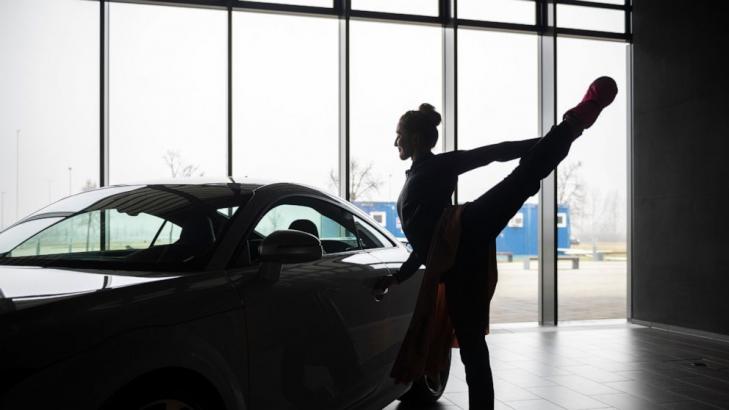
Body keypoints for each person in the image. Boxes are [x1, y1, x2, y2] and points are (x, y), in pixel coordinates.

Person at [374, 77, 618, 409]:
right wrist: (399, 277)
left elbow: (493, 153)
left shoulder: (437, 165)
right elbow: (427, 244)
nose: (395, 142)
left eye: (398, 135)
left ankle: (573, 123)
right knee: (472, 349)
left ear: (414, 138)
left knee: (524, 178)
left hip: (466, 229)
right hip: (457, 267)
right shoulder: (413, 177)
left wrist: (548, 140)